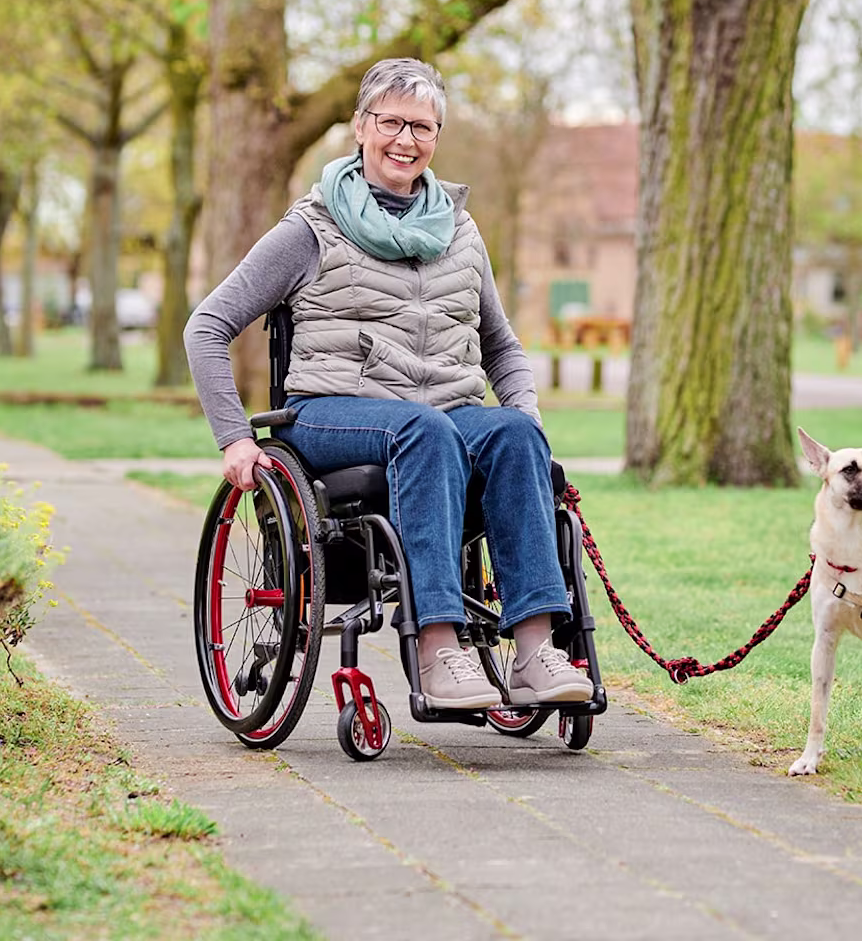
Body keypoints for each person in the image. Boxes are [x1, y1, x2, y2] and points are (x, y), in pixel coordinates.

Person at [184, 57, 594, 710]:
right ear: (359, 127)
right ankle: (437, 652)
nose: (407, 140)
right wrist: (234, 439)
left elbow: (502, 346)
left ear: (437, 137)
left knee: (515, 434)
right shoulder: (310, 228)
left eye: (423, 127)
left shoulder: (460, 229)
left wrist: (529, 416)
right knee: (424, 430)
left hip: (444, 411)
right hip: (330, 413)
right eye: (392, 123)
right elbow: (206, 327)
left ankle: (537, 653)